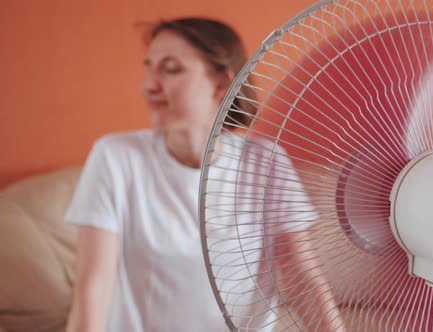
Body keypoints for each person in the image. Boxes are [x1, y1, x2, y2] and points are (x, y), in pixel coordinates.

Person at [65, 17, 344, 332]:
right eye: (149, 67)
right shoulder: (116, 157)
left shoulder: (265, 162)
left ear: (221, 84)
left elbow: (301, 279)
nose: (149, 84)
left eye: (170, 69)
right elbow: (93, 288)